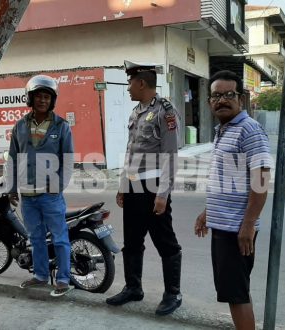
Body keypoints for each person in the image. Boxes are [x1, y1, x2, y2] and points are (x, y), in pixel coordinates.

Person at [194, 70, 272, 330]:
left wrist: (248, 224)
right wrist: (208, 212)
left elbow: (260, 182)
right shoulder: (224, 130)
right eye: (216, 95)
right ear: (209, 101)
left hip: (236, 228)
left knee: (237, 295)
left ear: (241, 98)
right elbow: (227, 180)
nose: (221, 100)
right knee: (235, 292)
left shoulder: (249, 130)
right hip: (224, 225)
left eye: (229, 95)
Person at [105, 61, 182, 316]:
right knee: (132, 240)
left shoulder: (165, 112)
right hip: (134, 186)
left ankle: (173, 293)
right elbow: (131, 152)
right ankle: (133, 288)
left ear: (141, 83)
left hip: (153, 187)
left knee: (165, 241)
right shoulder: (136, 112)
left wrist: (162, 194)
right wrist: (122, 186)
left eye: (129, 83)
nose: (127, 88)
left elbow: (170, 155)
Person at [6, 75, 75, 297]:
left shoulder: (61, 126)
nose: (42, 100)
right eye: (38, 96)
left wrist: (58, 186)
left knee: (59, 237)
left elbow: (68, 160)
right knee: (35, 238)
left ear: (52, 100)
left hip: (50, 193)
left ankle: (63, 279)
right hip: (27, 195)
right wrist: (11, 187)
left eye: (46, 97)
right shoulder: (20, 126)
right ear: (30, 99)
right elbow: (13, 159)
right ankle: (41, 276)